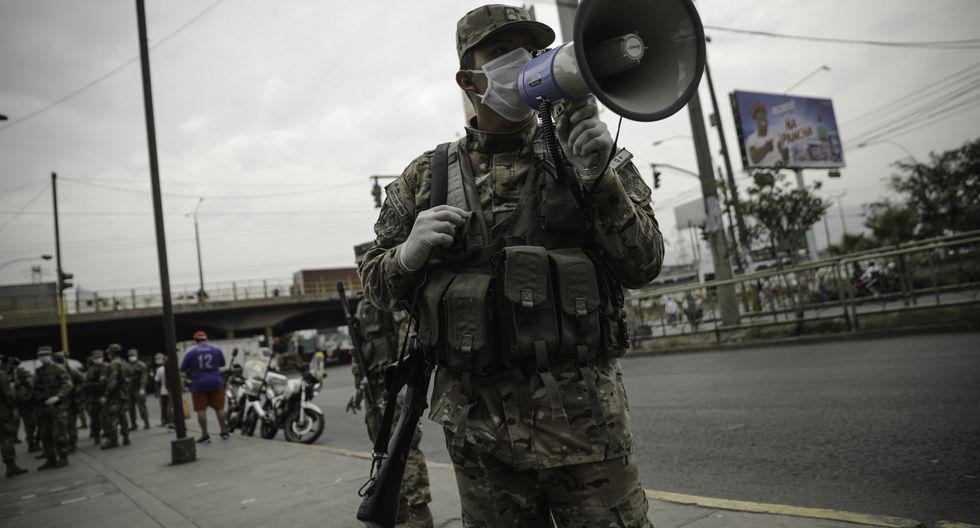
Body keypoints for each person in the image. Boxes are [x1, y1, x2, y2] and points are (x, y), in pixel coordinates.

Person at [358, 5, 664, 526]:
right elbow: (376, 285)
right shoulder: (424, 177)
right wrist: (408, 255)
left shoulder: (588, 151)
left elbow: (645, 263)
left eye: (529, 49)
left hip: (587, 432)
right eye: (499, 52)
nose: (519, 62)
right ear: (469, 78)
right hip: (483, 445)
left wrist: (600, 183)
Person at [349, 243, 432, 527]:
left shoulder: (389, 301)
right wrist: (358, 387)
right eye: (359, 265)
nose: (363, 269)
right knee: (381, 449)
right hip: (372, 390)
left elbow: (404, 341)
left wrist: (400, 386)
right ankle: (394, 508)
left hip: (391, 388)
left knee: (404, 449)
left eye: (365, 263)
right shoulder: (362, 306)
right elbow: (358, 352)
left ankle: (419, 509)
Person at [179, 331, 228, 443]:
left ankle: (205, 435)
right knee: (219, 408)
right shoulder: (216, 349)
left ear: (195, 341)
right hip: (216, 382)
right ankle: (224, 431)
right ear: (206, 339)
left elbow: (182, 368)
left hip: (198, 384)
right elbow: (222, 363)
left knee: (201, 410)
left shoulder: (190, 352)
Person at [32, 346, 72, 469]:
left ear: (50, 355)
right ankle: (50, 458)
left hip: (57, 407)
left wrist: (58, 397)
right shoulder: (38, 371)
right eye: (41, 356)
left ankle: (63, 457)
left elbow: (68, 384)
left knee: (59, 433)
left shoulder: (58, 368)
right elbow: (34, 388)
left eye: (45, 355)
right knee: (45, 434)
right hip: (43, 407)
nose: (43, 357)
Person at [0, 357, 28, 477]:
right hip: (2, 412)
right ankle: (11, 466)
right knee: (7, 437)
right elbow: (8, 395)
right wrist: (12, 409)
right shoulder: (1, 374)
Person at [51, 350, 84, 453]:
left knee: (71, 423)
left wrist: (77, 390)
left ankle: (72, 443)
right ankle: (64, 444)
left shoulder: (72, 370)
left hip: (71, 401)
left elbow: (83, 381)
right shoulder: (54, 372)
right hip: (59, 402)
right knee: (61, 424)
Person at [100, 343, 131, 449]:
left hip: (115, 395)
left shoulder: (114, 363)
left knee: (111, 418)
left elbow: (112, 381)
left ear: (111, 352)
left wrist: (106, 395)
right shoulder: (123, 362)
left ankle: (113, 441)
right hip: (123, 394)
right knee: (123, 416)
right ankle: (126, 437)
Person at [746, 101, 788, 167]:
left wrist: (785, 152)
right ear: (756, 120)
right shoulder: (751, 138)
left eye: (763, 114)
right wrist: (766, 148)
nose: (762, 117)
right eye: (759, 115)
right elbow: (754, 159)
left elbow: (784, 153)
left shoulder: (775, 134)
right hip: (765, 173)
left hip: (781, 170)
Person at [11, 357, 39, 452]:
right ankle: (32, 445)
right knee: (30, 427)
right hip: (26, 408)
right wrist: (32, 393)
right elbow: (23, 398)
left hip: (27, 408)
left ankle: (32, 443)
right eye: (27, 377)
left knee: (31, 426)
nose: (29, 378)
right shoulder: (20, 386)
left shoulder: (20, 383)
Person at [85, 349, 108, 444]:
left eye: (99, 357)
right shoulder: (90, 369)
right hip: (93, 397)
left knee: (106, 417)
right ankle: (96, 437)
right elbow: (87, 384)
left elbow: (110, 383)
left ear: (102, 357)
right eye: (95, 358)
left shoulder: (107, 367)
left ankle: (108, 434)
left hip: (105, 396)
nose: (97, 359)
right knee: (94, 419)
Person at [126, 349, 151, 430]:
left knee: (142, 406)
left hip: (138, 388)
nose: (131, 357)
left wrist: (142, 388)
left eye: (133, 355)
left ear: (136, 355)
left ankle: (146, 422)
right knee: (130, 407)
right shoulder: (126, 366)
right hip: (129, 389)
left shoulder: (141, 365)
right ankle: (133, 424)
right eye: (130, 356)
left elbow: (144, 377)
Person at [153, 353, 172, 427]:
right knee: (170, 405)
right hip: (170, 389)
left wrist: (156, 391)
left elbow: (156, 382)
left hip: (163, 390)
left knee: (164, 406)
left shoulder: (159, 370)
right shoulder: (171, 367)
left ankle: (165, 420)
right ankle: (171, 420)